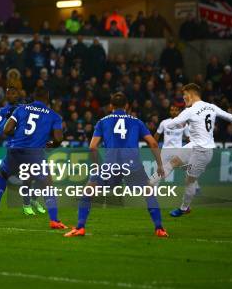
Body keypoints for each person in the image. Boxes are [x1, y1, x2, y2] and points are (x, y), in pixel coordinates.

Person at [64, 92, 168, 238]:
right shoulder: (136, 121)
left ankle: (80, 227)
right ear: (126, 106)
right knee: (148, 193)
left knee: (87, 192)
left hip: (110, 165)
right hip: (133, 165)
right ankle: (159, 228)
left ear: (111, 106)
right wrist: (160, 165)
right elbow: (153, 143)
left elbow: (93, 147)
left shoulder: (103, 121)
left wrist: (96, 167)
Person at [0, 87, 65, 228]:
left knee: (2, 176)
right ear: (47, 97)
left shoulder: (21, 109)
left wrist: (20, 135)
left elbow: (6, 130)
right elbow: (58, 138)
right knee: (48, 184)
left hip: (15, 151)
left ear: (34, 96)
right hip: (34, 154)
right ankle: (54, 220)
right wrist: (52, 144)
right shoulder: (54, 115)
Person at [158, 83, 232, 217]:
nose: (184, 98)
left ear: (190, 94)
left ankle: (184, 208)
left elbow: (172, 123)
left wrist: (175, 124)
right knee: (174, 162)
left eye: (184, 95)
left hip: (203, 151)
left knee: (189, 181)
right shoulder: (211, 107)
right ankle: (151, 184)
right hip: (194, 146)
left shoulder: (191, 110)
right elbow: (230, 117)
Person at [149, 105, 190, 183]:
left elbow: (189, 139)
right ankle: (153, 191)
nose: (174, 112)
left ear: (179, 112)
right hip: (166, 151)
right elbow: (156, 136)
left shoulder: (184, 124)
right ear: (169, 111)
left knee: (188, 168)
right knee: (157, 169)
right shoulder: (164, 122)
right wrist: (154, 148)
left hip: (178, 151)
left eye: (176, 110)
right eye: (172, 110)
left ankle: (195, 187)